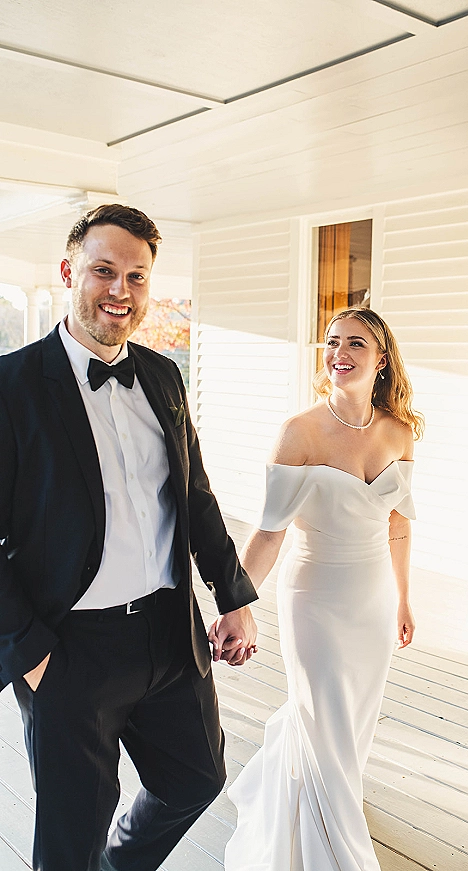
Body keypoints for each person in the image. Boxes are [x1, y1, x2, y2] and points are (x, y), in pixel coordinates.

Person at [0, 204, 258, 871]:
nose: (120, 291)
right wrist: (32, 656)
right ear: (69, 271)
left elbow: (195, 494)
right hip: (70, 649)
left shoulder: (165, 375)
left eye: (136, 276)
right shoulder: (11, 387)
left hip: (172, 637)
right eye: (104, 271)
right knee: (69, 839)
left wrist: (233, 595)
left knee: (197, 779)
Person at [222, 306, 424, 871]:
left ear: (381, 359)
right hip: (314, 598)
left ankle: (329, 802)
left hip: (375, 597)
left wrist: (404, 598)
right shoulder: (299, 432)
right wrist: (236, 603)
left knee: (354, 718)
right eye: (332, 342)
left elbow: (399, 524)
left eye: (355, 344)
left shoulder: (399, 431)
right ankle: (340, 850)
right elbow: (268, 533)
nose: (339, 353)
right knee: (322, 712)